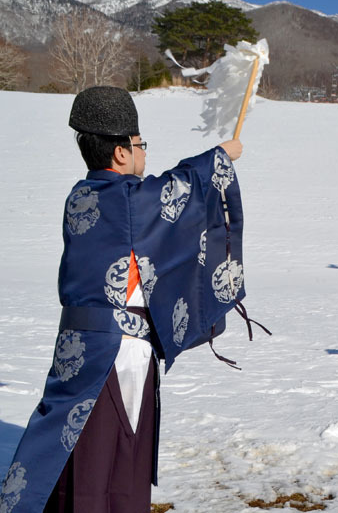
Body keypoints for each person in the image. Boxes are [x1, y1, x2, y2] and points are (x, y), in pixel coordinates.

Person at [0, 86, 248, 513]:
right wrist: (221, 155)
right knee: (106, 460)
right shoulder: (126, 200)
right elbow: (178, 188)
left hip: (79, 351)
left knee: (74, 451)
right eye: (140, 145)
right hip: (115, 352)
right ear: (119, 153)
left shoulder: (82, 195)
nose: (144, 155)